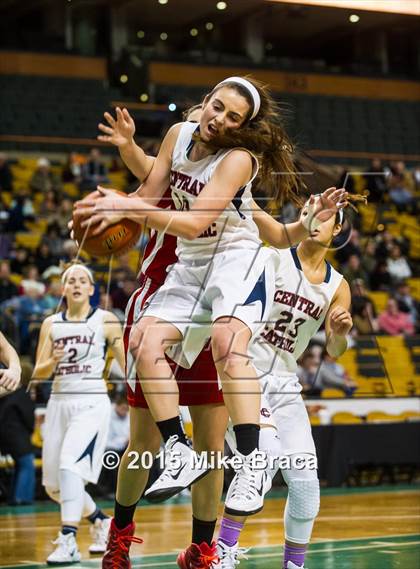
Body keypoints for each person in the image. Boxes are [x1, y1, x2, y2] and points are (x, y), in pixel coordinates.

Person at [75, 97, 345, 568]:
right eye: (207, 107)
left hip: (219, 296)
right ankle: (121, 533)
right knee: (143, 444)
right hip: (163, 294)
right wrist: (127, 149)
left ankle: (204, 546)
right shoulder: (176, 154)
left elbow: (270, 232)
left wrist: (303, 225)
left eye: (226, 114)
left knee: (211, 443)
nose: (210, 117)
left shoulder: (228, 175)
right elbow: (152, 174)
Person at [205, 203, 352, 569]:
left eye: (324, 216)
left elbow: (335, 350)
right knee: (261, 459)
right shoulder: (272, 258)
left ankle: (294, 566)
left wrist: (341, 334)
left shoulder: (338, 285)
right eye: (309, 212)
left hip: (285, 383)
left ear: (337, 229)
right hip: (245, 370)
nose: (314, 220)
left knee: (305, 487)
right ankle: (220, 554)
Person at [32, 263, 126, 565]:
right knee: (54, 486)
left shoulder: (106, 320)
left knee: (70, 466)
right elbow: (37, 372)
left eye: (81, 280)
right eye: (70, 280)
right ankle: (102, 522)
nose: (75, 284)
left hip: (91, 402)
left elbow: (127, 365)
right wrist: (51, 362)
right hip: (59, 402)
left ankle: (69, 538)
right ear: (63, 289)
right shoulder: (51, 324)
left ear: (90, 288)